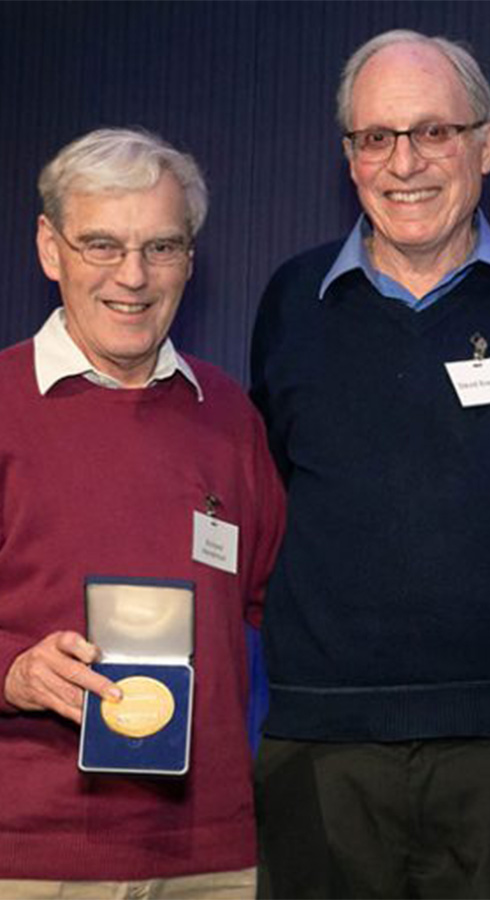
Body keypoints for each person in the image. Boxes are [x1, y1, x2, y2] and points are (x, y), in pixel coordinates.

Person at [251, 28, 490, 899]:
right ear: (349, 156)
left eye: (435, 132)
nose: (405, 163)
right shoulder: (289, 302)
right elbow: (274, 488)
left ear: (486, 143)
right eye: (376, 137)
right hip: (325, 749)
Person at [0, 128, 285, 899]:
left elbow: (283, 608)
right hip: (31, 860)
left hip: (213, 861)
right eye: (101, 244)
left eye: (161, 247)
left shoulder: (230, 417)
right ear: (49, 248)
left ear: (191, 260)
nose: (133, 276)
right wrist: (14, 670)